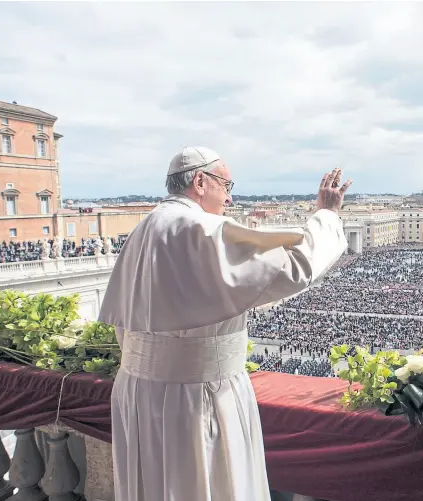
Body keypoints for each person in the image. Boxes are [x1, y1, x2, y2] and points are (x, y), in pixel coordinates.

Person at [99, 146, 352, 501]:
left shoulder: (145, 228)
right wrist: (326, 214)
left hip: (138, 390)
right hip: (198, 394)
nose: (231, 198)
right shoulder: (200, 229)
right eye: (227, 185)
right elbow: (294, 268)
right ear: (200, 181)